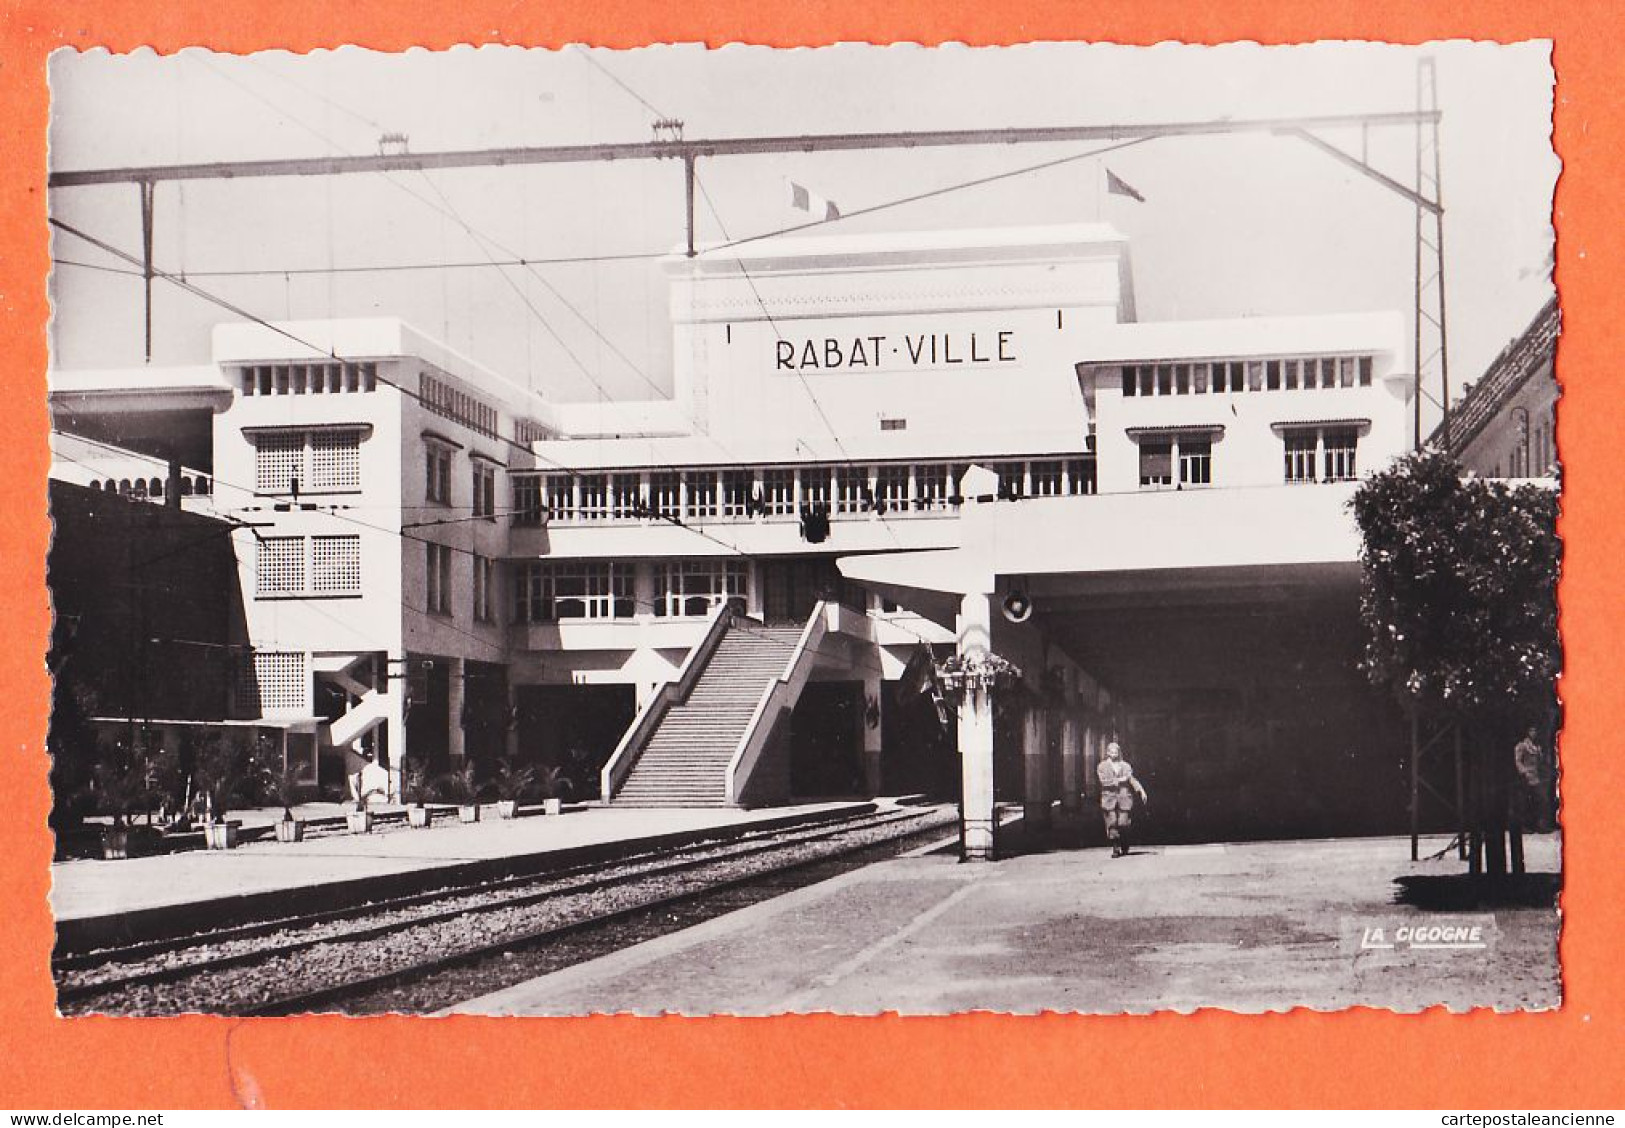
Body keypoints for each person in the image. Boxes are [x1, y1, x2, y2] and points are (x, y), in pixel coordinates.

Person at [1097, 740, 1149, 857]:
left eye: (1116, 751)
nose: (1114, 753)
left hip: (1124, 798)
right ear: (1107, 753)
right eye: (1111, 751)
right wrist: (1120, 780)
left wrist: (1141, 790)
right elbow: (1103, 782)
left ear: (1119, 752)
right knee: (1112, 822)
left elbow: (1131, 779)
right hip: (1109, 799)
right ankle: (1115, 848)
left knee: (1123, 823)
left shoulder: (1126, 766)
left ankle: (1125, 843)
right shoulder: (1102, 766)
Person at [1511, 725, 1552, 833]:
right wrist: (1524, 772)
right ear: (1527, 732)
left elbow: (1540, 761)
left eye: (1535, 731)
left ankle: (1539, 824)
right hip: (1526, 776)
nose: (1534, 733)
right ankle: (1524, 826)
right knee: (1524, 802)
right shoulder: (1522, 746)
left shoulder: (1536, 746)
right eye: (1531, 730)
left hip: (1536, 776)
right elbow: (1518, 761)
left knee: (1539, 800)